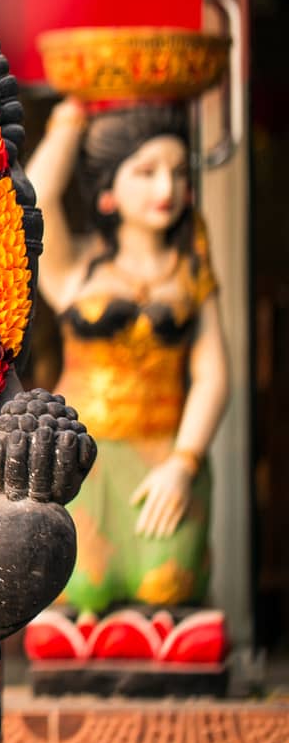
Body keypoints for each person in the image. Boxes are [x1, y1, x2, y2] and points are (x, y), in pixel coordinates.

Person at [27, 98, 230, 615]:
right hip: (85, 462)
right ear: (109, 191)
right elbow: (37, 195)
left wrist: (185, 463)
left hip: (164, 458)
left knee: (166, 589)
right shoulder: (78, 269)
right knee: (81, 592)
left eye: (178, 172)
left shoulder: (191, 271)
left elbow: (212, 376)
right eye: (146, 172)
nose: (167, 189)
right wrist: (70, 119)